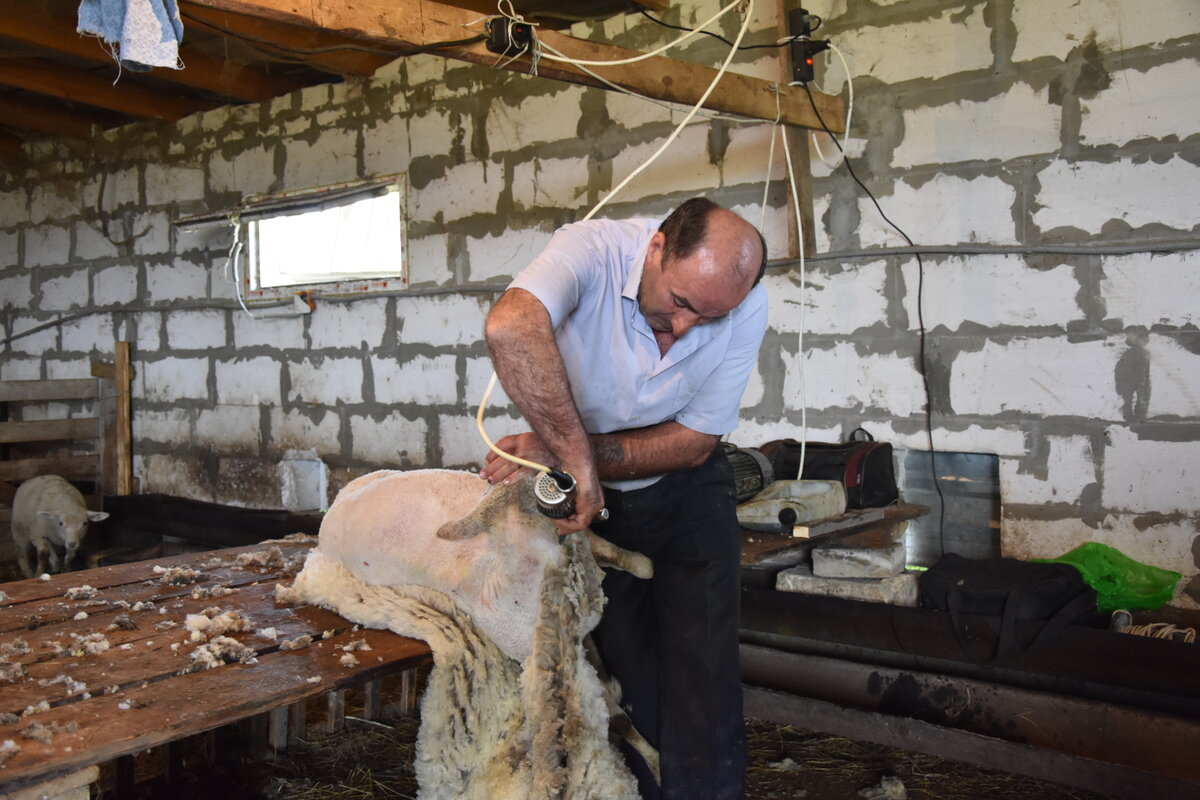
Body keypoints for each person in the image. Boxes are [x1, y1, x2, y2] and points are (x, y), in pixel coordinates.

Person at [479, 197, 768, 800]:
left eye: (709, 318)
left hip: (689, 493)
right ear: (657, 248)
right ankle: (647, 790)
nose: (686, 327)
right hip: (601, 503)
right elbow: (511, 325)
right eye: (682, 304)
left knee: (704, 669)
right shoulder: (592, 251)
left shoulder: (740, 303)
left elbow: (692, 443)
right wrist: (574, 460)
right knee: (628, 663)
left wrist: (569, 451)